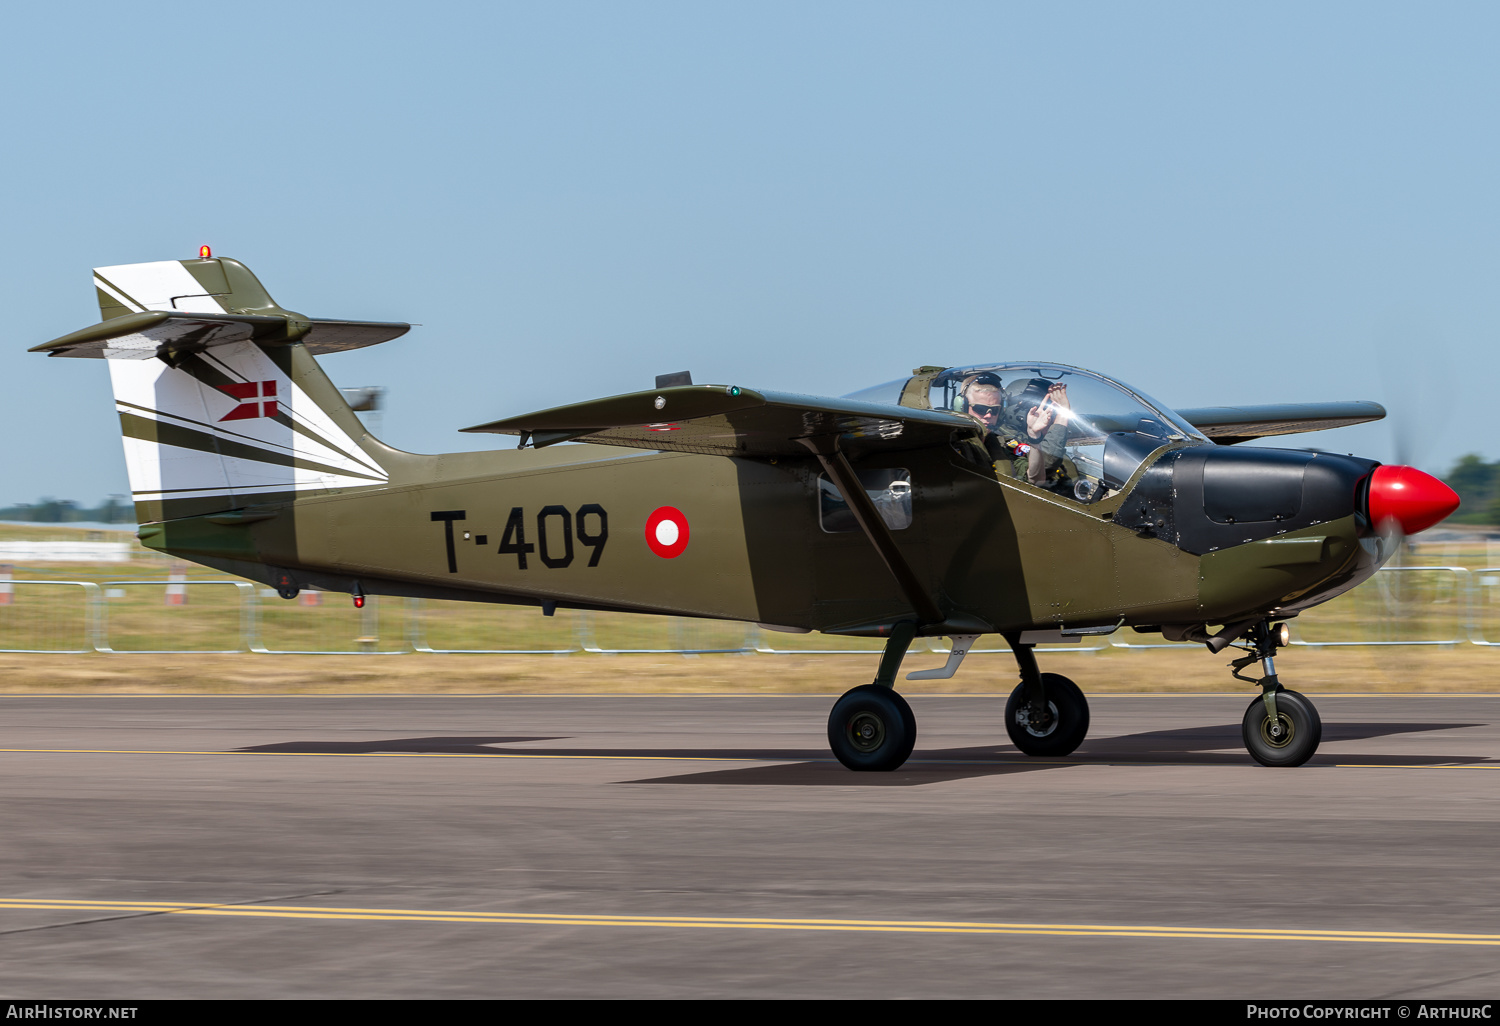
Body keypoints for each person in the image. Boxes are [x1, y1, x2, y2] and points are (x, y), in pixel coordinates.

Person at [1002, 378, 1072, 487]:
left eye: (1052, 414)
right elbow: (1045, 464)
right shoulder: (1006, 440)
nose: (1051, 420)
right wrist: (1062, 416)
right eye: (1047, 413)